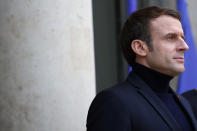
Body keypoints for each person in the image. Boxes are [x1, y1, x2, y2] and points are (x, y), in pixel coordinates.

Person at [86, 6, 197, 131]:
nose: (185, 46)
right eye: (170, 37)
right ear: (140, 48)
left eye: (183, 37)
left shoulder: (184, 103)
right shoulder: (113, 102)